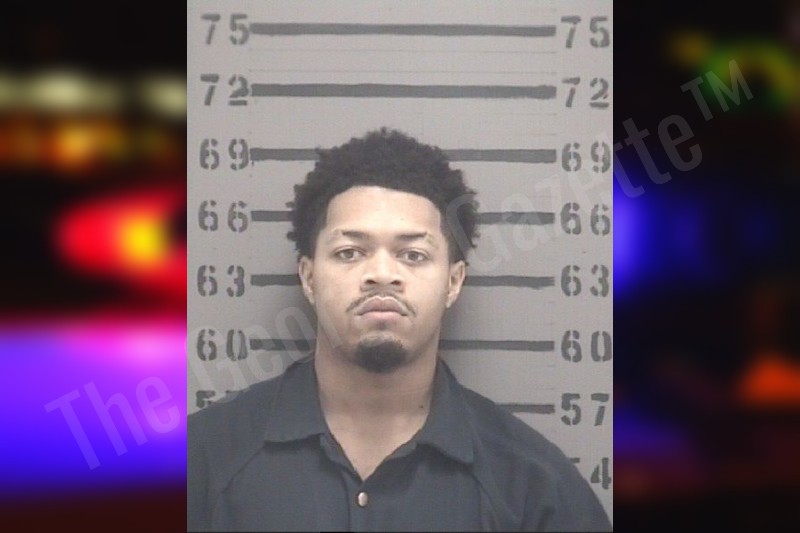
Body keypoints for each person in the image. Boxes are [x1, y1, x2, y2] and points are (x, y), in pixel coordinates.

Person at [187, 128, 612, 532]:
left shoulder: (534, 487)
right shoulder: (201, 461)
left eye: (412, 254)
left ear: (453, 282)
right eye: (350, 252)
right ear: (308, 276)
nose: (382, 273)